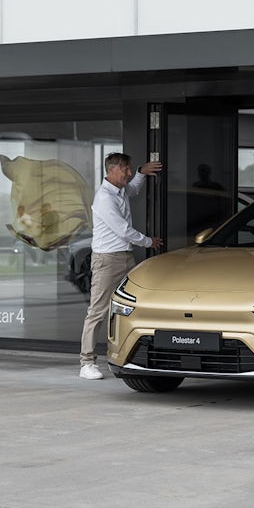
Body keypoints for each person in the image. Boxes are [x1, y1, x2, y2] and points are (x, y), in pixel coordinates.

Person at [79, 152, 164, 380]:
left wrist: (140, 174)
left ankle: (122, 354)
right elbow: (123, 230)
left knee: (129, 307)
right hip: (107, 260)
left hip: (125, 257)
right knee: (98, 311)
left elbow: (133, 189)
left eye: (129, 169)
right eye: (125, 169)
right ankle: (86, 362)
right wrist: (150, 242)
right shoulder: (105, 197)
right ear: (112, 170)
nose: (128, 173)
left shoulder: (120, 190)